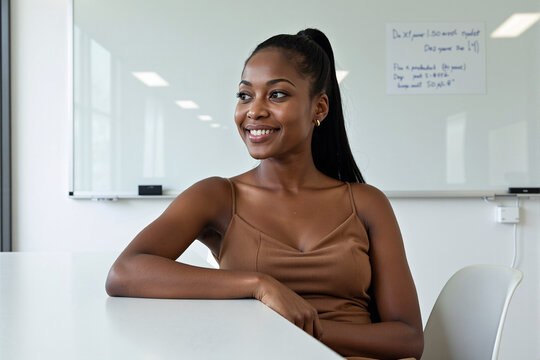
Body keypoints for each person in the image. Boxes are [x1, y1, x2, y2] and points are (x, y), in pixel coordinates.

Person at [106, 28, 423, 360]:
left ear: (319, 108)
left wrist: (298, 327)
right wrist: (258, 285)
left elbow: (408, 339)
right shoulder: (218, 196)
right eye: (245, 95)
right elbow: (125, 272)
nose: (254, 111)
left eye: (277, 95)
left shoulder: (366, 203)